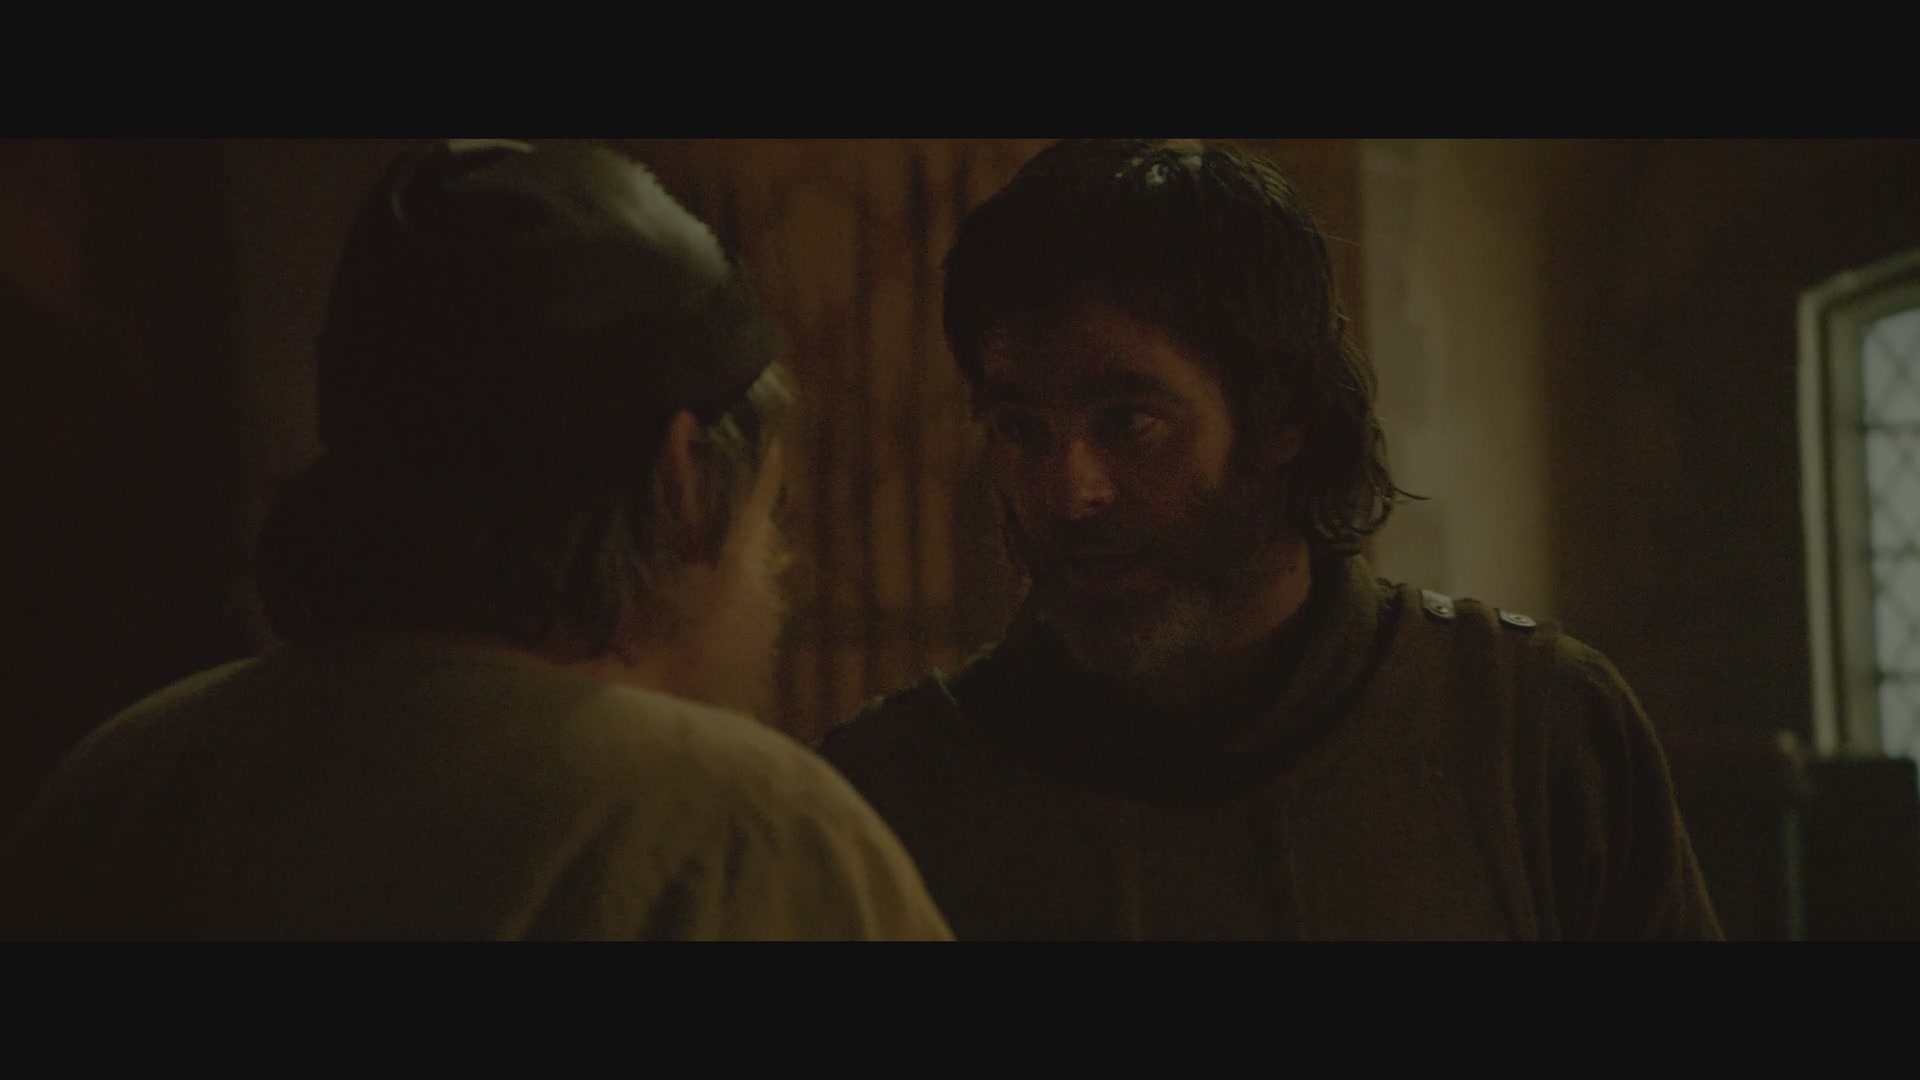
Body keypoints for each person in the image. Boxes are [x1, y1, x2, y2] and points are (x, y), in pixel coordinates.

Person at [2, 139, 953, 941]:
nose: (781, 565)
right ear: (686, 482)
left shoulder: (118, 789)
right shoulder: (746, 834)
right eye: (770, 515)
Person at [819, 138, 1721, 940]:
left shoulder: (1533, 734)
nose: (1069, 491)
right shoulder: (895, 793)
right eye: (1023, 429)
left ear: (1281, 411)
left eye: (1129, 422)